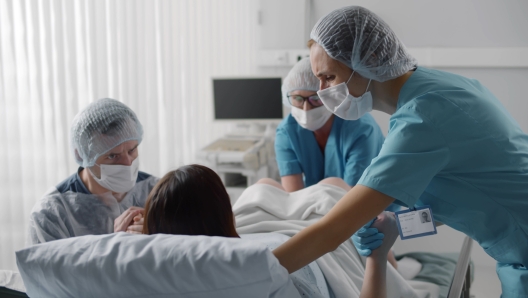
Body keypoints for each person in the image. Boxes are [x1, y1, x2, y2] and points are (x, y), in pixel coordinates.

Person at [272, 6, 528, 298]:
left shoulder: (422, 119)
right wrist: (399, 224)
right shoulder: (439, 88)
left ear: (369, 59)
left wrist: (255, 271)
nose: (321, 91)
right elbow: (467, 201)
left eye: (328, 77)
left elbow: (334, 230)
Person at [142, 165, 399, 298]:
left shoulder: (145, 270)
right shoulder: (263, 276)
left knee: (265, 185)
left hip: (252, 229)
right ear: (224, 214)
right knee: (332, 185)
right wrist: (377, 256)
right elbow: (325, 237)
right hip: (300, 246)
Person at [28, 98, 159, 245]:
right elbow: (52, 268)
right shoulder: (52, 214)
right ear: (82, 156)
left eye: (132, 150)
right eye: (112, 156)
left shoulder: (158, 192)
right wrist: (116, 248)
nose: (128, 163)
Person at [275, 57, 385, 192]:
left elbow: (354, 199)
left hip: (367, 207)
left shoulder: (361, 129)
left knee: (335, 184)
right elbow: (293, 196)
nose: (306, 109)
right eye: (297, 99)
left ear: (330, 96)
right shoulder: (287, 132)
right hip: (314, 205)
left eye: (315, 99)